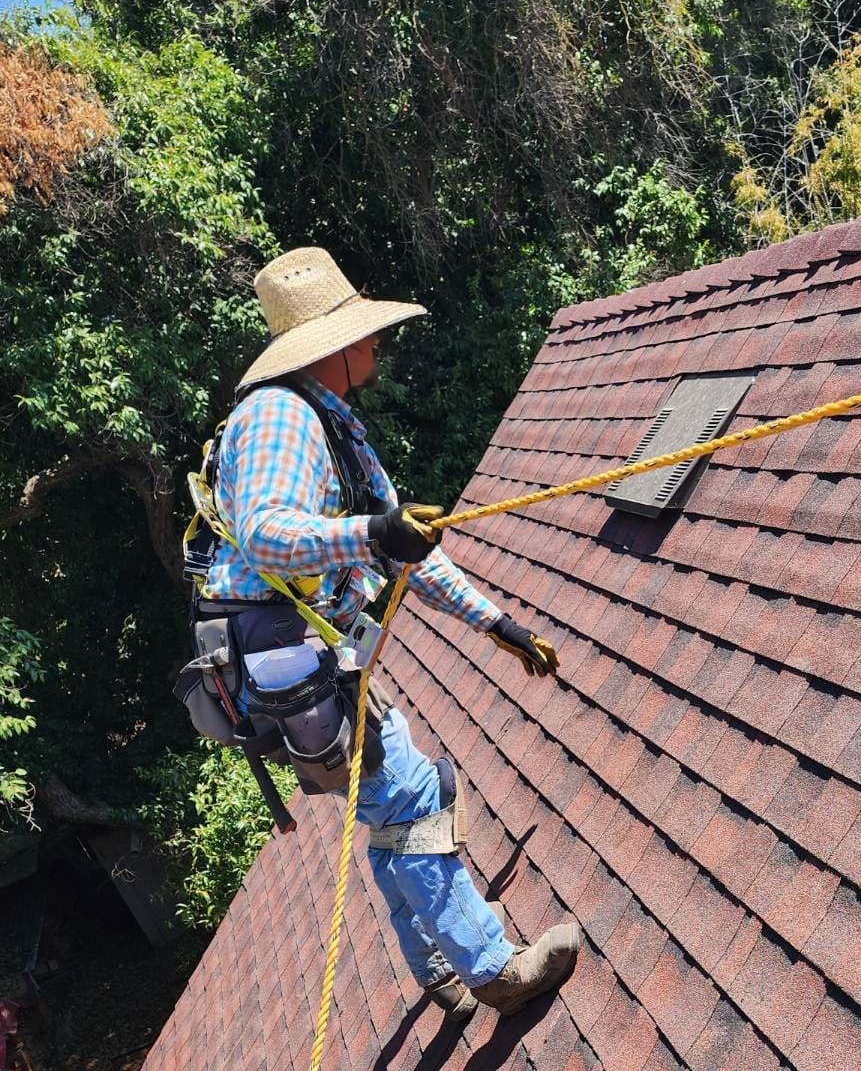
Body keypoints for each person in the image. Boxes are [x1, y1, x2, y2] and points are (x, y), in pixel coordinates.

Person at [201, 246, 578, 1022]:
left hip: (298, 652)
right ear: (333, 346)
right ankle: (493, 970)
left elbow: (405, 551)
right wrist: (372, 531)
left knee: (390, 802)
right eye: (364, 332)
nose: (376, 342)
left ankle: (437, 968)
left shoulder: (327, 422)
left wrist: (494, 622)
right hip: (285, 652)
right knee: (408, 794)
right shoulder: (280, 415)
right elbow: (267, 533)